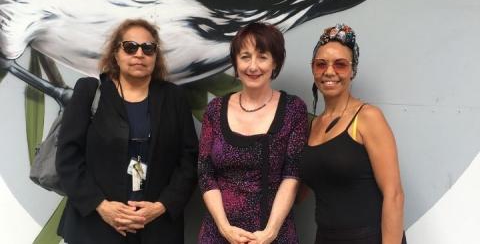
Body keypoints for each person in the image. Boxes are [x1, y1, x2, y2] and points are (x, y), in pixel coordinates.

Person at [56, 19, 199, 244]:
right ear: (116, 53)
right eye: (130, 47)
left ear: (155, 56)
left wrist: (162, 206)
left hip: (156, 228)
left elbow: (189, 159)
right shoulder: (90, 91)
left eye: (148, 48)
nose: (139, 54)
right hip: (95, 227)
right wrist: (101, 206)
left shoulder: (174, 98)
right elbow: (67, 157)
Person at [197, 22, 308, 244]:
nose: (253, 66)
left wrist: (270, 232)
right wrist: (224, 228)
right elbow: (205, 172)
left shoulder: (294, 109)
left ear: (275, 62)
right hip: (219, 234)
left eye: (263, 56)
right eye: (245, 57)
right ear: (236, 63)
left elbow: (292, 174)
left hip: (274, 234)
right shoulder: (215, 110)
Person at [299, 24, 406, 244]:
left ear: (352, 70)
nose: (329, 72)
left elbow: (394, 195)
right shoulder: (311, 126)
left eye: (340, 64)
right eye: (321, 64)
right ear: (313, 69)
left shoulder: (368, 117)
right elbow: (300, 190)